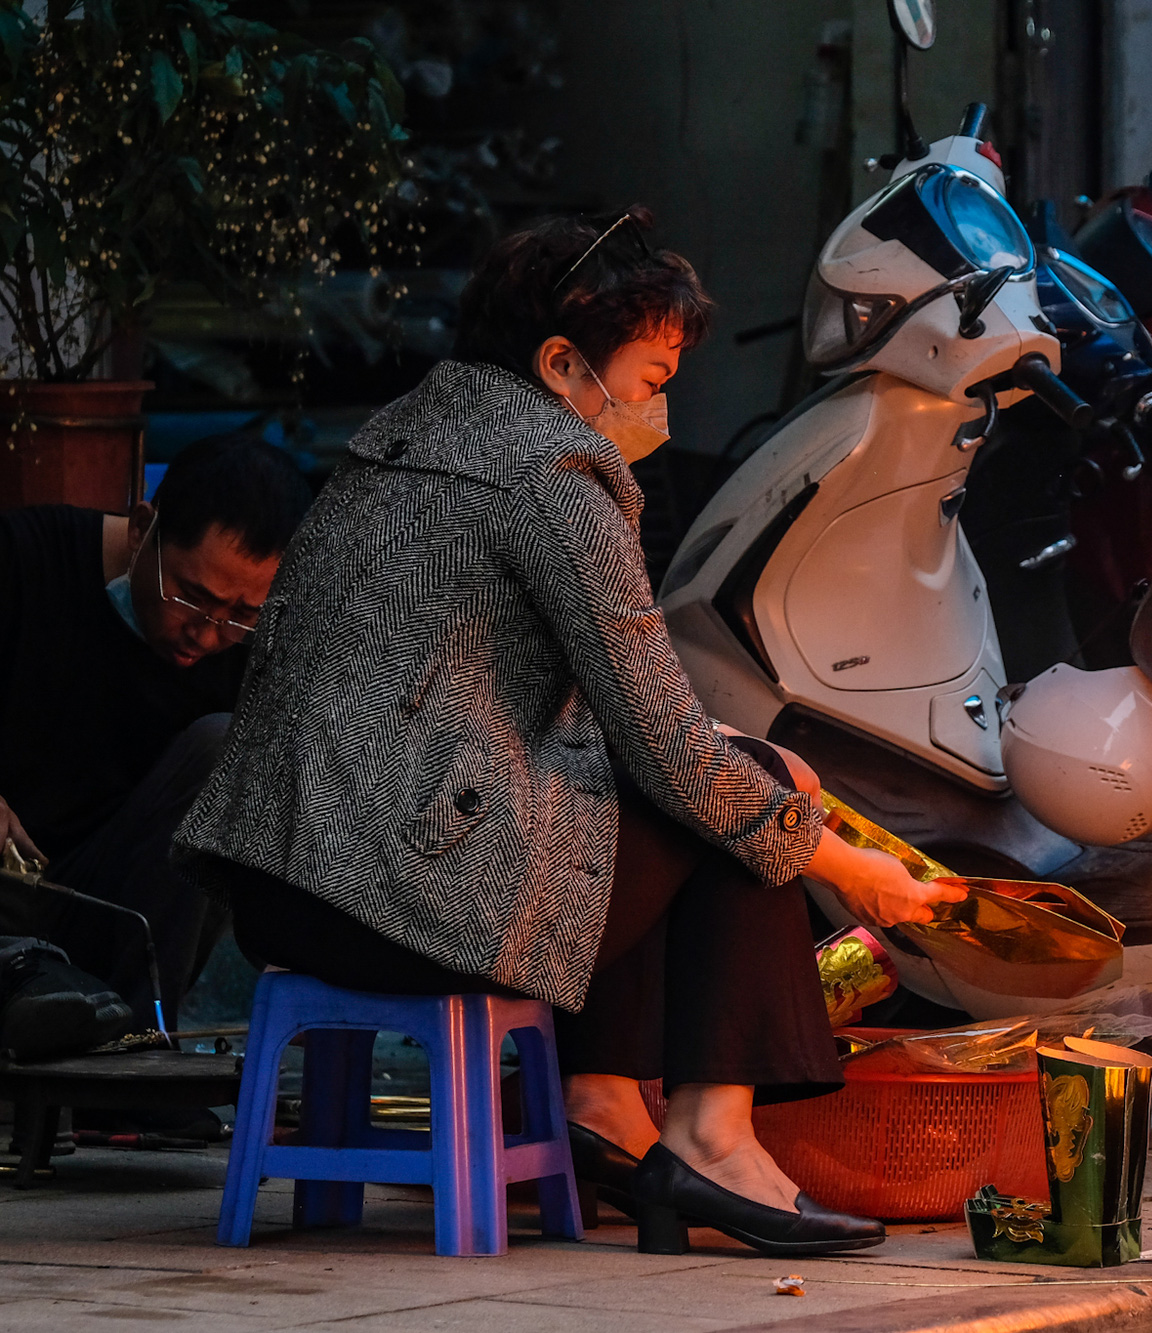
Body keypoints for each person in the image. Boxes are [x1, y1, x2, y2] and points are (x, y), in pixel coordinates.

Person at [173, 207, 966, 1257]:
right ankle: (712, 1134)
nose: (660, 408)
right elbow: (677, 758)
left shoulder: (403, 435)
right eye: (648, 378)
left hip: (282, 892)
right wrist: (847, 867)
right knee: (744, 789)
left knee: (671, 786)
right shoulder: (553, 473)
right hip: (396, 899)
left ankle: (603, 1107)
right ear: (561, 364)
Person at [0, 433, 311, 1039]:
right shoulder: (24, 559)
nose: (207, 633)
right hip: (7, 892)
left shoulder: (251, 645)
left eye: (242, 615)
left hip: (110, 909)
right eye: (191, 598)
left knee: (229, 749)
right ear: (143, 529)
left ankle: (137, 1048)